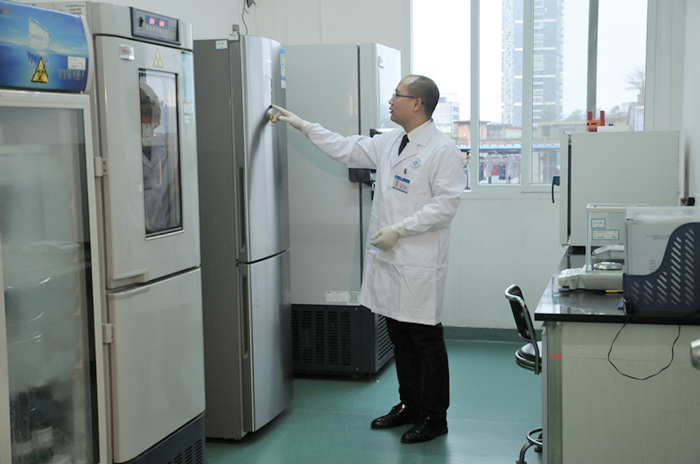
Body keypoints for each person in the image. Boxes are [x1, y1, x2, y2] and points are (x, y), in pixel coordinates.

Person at [272, 74, 466, 444]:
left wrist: (401, 229)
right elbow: (347, 148)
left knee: (425, 341)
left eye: (397, 95)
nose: (391, 100)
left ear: (417, 104)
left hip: (419, 261)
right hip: (391, 260)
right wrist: (306, 126)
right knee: (399, 337)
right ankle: (409, 405)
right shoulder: (391, 141)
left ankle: (435, 417)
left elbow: (445, 206)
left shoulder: (443, 150)